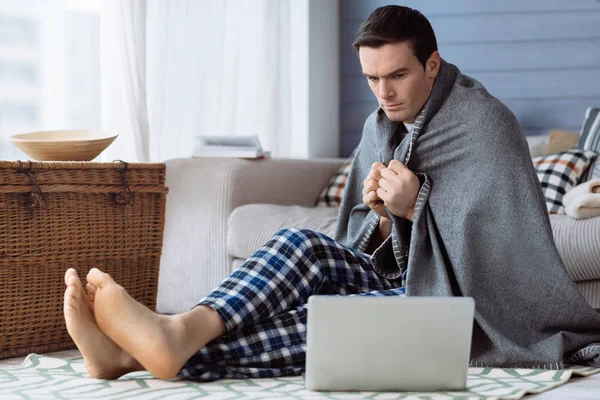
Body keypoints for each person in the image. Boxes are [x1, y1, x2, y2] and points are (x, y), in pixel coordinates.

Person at [63, 5, 600, 382]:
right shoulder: (378, 126)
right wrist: (386, 219)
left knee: (334, 321)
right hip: (401, 279)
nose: (384, 92)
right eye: (371, 78)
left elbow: (503, 259)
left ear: (432, 64)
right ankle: (180, 329)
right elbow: (364, 247)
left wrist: (416, 206)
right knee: (298, 242)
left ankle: (131, 359)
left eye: (397, 75)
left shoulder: (486, 125)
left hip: (467, 307)